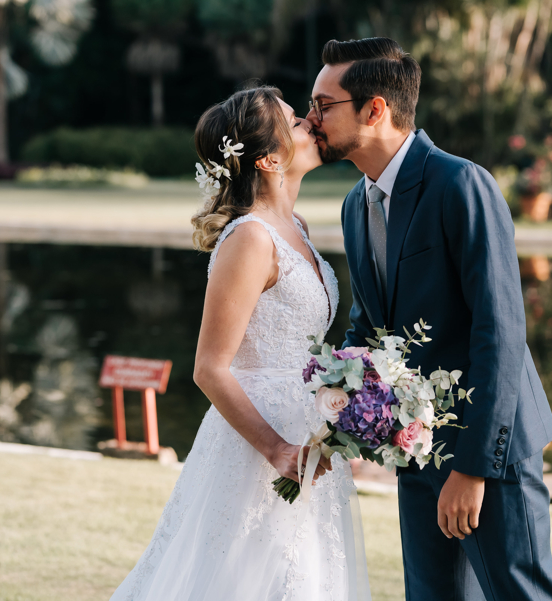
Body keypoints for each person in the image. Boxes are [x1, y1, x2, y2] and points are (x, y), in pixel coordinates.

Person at [306, 38, 552, 601]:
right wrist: (327, 416)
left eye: (324, 106)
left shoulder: (461, 184)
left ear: (375, 109)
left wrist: (474, 469)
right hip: (415, 447)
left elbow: (499, 332)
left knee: (521, 593)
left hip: (490, 448)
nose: (310, 120)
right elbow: (370, 326)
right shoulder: (357, 202)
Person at [110, 86, 371, 600]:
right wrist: (276, 450)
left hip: (307, 435)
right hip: (260, 443)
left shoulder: (295, 226)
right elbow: (209, 367)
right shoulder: (250, 237)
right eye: (296, 122)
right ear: (270, 158)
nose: (312, 123)